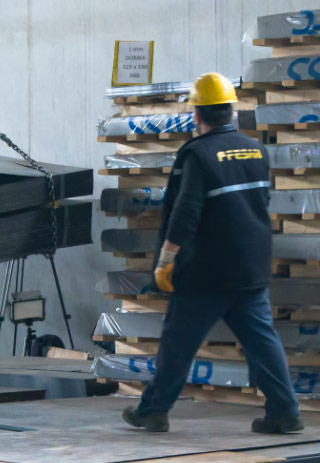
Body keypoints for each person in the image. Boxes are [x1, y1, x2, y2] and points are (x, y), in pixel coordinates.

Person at [122, 72, 303, 434]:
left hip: (207, 271)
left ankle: (154, 410)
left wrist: (166, 260)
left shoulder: (199, 155)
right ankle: (285, 412)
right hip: (250, 266)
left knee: (178, 341)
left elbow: (186, 213)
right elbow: (259, 202)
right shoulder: (256, 150)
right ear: (231, 111)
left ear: (197, 115)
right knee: (262, 341)